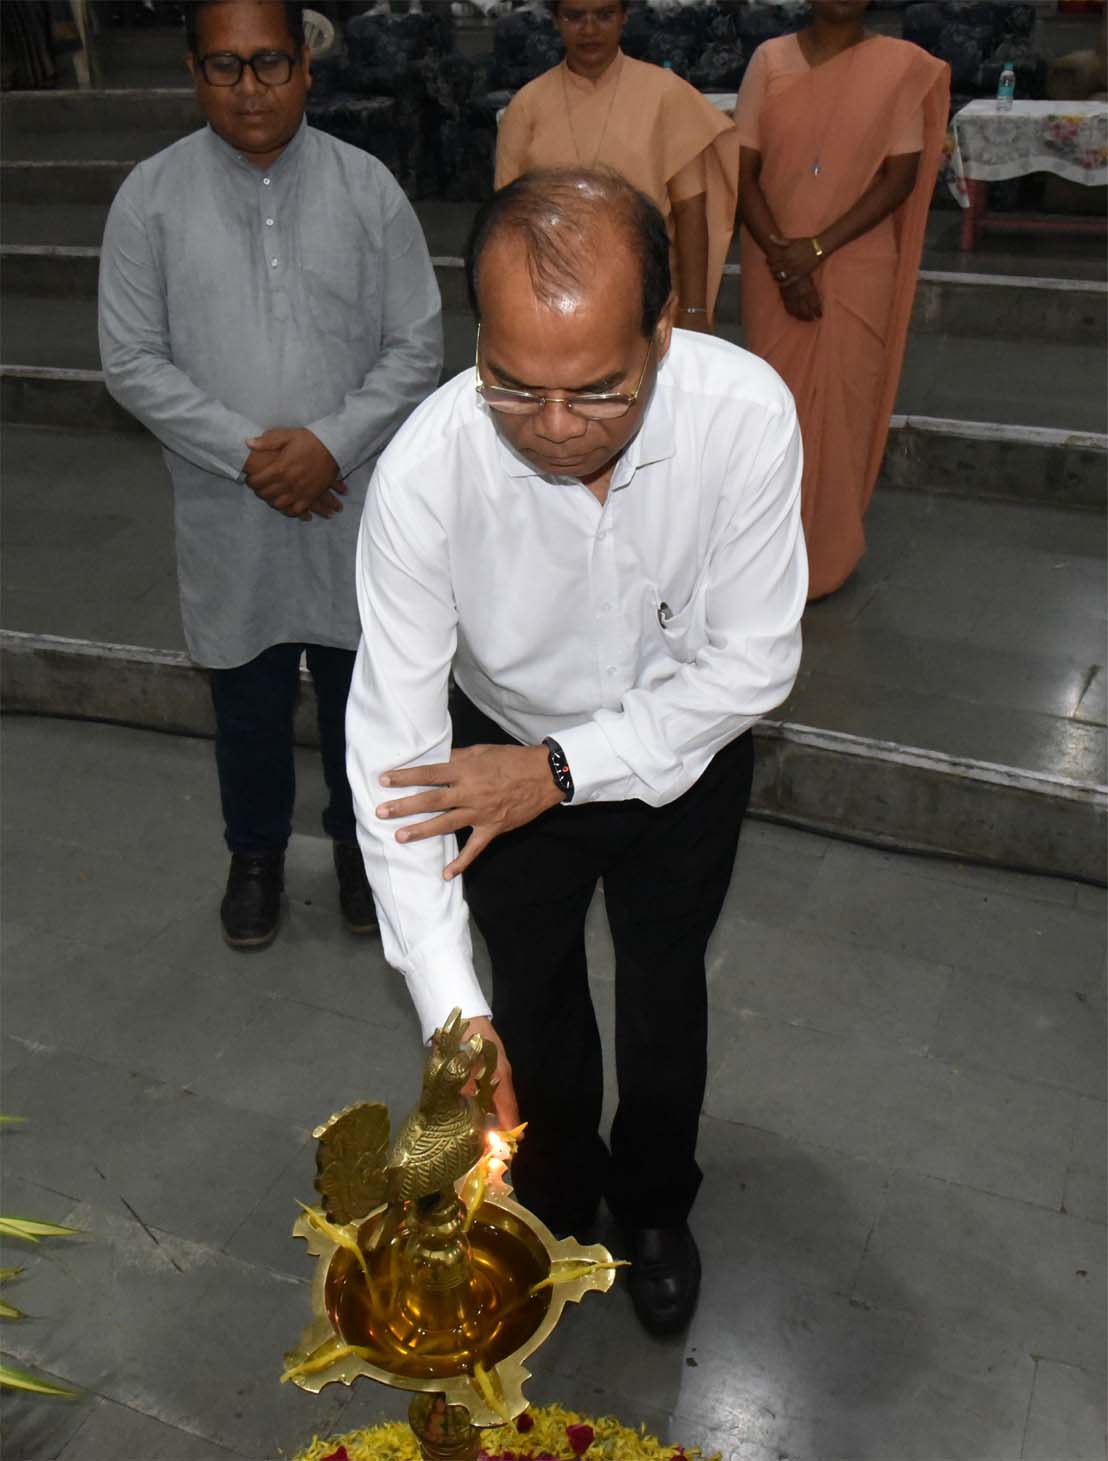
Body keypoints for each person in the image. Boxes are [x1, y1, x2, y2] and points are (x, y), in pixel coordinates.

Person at [345, 168, 806, 1336]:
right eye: (513, 385)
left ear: (664, 328)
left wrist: (557, 770)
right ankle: (553, 1199)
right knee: (530, 992)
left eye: (599, 391)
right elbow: (393, 754)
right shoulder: (426, 472)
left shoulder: (743, 416)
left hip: (680, 749)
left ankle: (653, 1206)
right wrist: (451, 1017)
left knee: (663, 985)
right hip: (496, 748)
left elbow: (754, 662)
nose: (553, 428)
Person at [98, 0, 443, 950]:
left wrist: (329, 444)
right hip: (228, 504)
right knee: (245, 699)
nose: (249, 88)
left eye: (269, 63)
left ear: (305, 66)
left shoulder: (368, 189)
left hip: (352, 499)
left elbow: (417, 345)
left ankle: (359, 848)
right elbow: (130, 360)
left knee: (359, 693)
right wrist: (256, 456)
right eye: (225, 66)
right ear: (193, 71)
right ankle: (254, 855)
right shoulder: (150, 198)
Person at [735, 0, 949, 599]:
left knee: (846, 405)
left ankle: (826, 553)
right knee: (774, 410)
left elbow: (899, 177)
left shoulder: (898, 67)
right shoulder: (770, 60)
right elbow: (742, 171)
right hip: (772, 256)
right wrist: (785, 260)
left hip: (856, 260)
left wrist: (816, 250)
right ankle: (765, 556)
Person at [494, 0, 739, 333]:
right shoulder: (527, 106)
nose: (590, 30)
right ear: (555, 20)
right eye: (575, 17)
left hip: (649, 298)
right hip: (553, 298)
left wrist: (694, 308)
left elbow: (690, 210)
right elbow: (507, 221)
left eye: (604, 15)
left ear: (624, 17)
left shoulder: (665, 94)